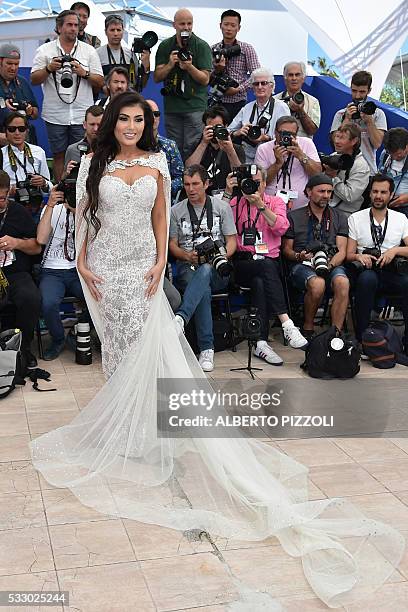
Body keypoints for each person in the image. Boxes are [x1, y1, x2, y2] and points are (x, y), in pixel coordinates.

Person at [29, 91, 405, 612]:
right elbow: (87, 216)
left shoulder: (159, 160)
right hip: (102, 271)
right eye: (125, 119)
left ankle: (146, 430)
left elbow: (162, 218)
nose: (132, 126)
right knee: (117, 352)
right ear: (112, 122)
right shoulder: (92, 161)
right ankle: (128, 427)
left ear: (146, 123)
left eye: (140, 120)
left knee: (146, 348)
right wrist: (86, 264)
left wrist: (161, 264)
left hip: (141, 268)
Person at [223, 166, 307, 365]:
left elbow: (281, 228)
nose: (253, 186)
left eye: (257, 182)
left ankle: (261, 343)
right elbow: (218, 218)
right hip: (242, 262)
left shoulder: (275, 201)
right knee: (264, 269)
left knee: (262, 278)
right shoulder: (235, 202)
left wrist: (261, 205)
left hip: (268, 262)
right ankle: (287, 323)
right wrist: (228, 191)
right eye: (249, 182)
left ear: (264, 183)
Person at [170, 165, 237, 372]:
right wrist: (186, 255)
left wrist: (222, 255)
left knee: (207, 271)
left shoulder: (221, 207)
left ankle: (181, 318)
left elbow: (232, 241)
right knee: (202, 287)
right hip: (187, 265)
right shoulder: (176, 210)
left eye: (196, 184)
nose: (191, 189)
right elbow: (172, 245)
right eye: (187, 184)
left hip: (218, 268)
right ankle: (207, 349)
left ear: (207, 184)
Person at [31, 10, 104, 181]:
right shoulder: (45, 50)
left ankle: (85, 189)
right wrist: (49, 69)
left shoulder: (89, 51)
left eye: (76, 25)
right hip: (55, 114)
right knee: (58, 155)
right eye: (69, 25)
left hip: (81, 115)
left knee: (86, 154)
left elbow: (100, 81)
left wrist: (83, 73)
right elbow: (34, 79)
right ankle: (61, 194)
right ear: (59, 27)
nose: (73, 29)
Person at [282, 173, 350, 340]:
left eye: (329, 192)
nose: (326, 196)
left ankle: (336, 333)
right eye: (321, 191)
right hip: (302, 263)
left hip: (331, 261)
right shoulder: (294, 216)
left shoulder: (339, 216)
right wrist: (299, 256)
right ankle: (308, 327)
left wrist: (329, 266)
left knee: (343, 282)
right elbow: (286, 250)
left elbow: (342, 250)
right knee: (317, 284)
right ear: (309, 192)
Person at [347, 174, 408, 349]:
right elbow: (349, 254)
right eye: (375, 192)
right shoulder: (356, 218)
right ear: (369, 194)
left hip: (391, 269)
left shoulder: (400, 218)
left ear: (391, 194)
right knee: (367, 280)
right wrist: (359, 256)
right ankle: (363, 340)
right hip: (366, 268)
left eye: (383, 192)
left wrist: (395, 250)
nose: (378, 196)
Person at [154, 8, 212, 160]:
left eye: (189, 23)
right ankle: (176, 182)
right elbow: (157, 77)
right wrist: (169, 64)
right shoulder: (166, 46)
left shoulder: (201, 46)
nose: (186, 27)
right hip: (172, 107)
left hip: (195, 106)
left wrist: (189, 67)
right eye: (182, 24)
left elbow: (205, 79)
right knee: (173, 150)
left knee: (192, 149)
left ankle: (190, 182)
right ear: (174, 25)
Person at [36, 185, 85, 360]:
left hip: (78, 269)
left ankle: (77, 331)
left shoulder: (84, 209)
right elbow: (41, 239)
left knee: (100, 298)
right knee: (48, 303)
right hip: (52, 270)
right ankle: (58, 339)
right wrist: (50, 205)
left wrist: (76, 209)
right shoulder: (53, 209)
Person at [0, 170, 41, 368]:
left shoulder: (17, 212)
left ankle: (24, 348)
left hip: (15, 272)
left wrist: (16, 243)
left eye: (1, 198)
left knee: (30, 297)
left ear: (9, 192)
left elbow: (36, 247)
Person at [255, 115, 321, 209]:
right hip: (270, 208)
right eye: (282, 133)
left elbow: (317, 174)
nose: (286, 137)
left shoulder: (306, 143)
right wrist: (277, 164)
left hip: (301, 208)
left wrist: (301, 156)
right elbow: (260, 182)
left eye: (291, 134)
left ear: (296, 134)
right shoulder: (264, 149)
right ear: (275, 132)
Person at [330, 70, 387, 175]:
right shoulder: (341, 114)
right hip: (342, 169)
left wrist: (369, 122)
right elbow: (335, 143)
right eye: (354, 91)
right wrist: (347, 119)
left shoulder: (378, 114)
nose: (357, 96)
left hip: (368, 171)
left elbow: (377, 144)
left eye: (362, 92)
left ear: (369, 91)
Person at [228, 68, 288, 163]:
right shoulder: (247, 108)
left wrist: (266, 138)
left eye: (263, 83)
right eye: (256, 84)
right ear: (252, 87)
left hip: (272, 159)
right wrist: (238, 132)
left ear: (271, 86)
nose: (260, 87)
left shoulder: (281, 107)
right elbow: (228, 131)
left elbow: (287, 135)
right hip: (247, 158)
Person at [1, 112, 52, 221]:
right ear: (5, 132)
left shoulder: (39, 152)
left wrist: (43, 183)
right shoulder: (1, 154)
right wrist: (9, 190)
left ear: (27, 131)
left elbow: (50, 186)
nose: (17, 133)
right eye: (12, 129)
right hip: (10, 206)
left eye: (21, 129)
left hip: (35, 206)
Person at [210, 9, 260, 121]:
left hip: (239, 101)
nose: (229, 28)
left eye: (233, 25)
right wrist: (218, 70)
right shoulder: (213, 49)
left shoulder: (246, 48)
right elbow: (207, 77)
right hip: (217, 100)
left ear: (238, 28)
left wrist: (238, 89)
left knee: (238, 134)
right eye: (226, 24)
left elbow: (256, 74)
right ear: (220, 25)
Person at [185, 105, 245, 195]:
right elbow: (188, 169)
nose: (214, 131)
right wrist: (204, 143)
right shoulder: (197, 146)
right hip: (203, 196)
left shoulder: (236, 148)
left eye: (218, 127)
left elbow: (240, 174)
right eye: (210, 127)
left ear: (226, 126)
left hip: (230, 196)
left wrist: (230, 150)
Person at [324, 123, 370, 217]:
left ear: (354, 141)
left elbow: (350, 196)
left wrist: (333, 177)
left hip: (346, 215)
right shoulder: (334, 156)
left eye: (342, 138)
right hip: (326, 210)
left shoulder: (361, 165)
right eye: (337, 136)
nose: (336, 141)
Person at [0, 44, 39, 146]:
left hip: (21, 136)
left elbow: (35, 113)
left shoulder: (22, 82)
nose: (13, 68)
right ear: (0, 62)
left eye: (16, 64)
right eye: (9, 63)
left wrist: (30, 110)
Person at [146, 98, 183, 205]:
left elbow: (181, 177)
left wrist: (164, 187)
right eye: (149, 114)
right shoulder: (133, 146)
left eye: (156, 114)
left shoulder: (169, 145)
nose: (153, 118)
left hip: (165, 203)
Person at [97, 14, 150, 87]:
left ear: (123, 31)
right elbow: (95, 83)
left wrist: (146, 68)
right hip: (106, 97)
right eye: (112, 30)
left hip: (128, 97)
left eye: (118, 30)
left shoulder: (130, 54)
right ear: (106, 32)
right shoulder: (97, 54)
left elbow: (141, 85)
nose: (116, 34)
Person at [274, 61, 320, 138]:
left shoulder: (313, 101)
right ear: (285, 78)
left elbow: (312, 131)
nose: (294, 78)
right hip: (278, 146)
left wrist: (300, 110)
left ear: (303, 78)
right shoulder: (275, 100)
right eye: (290, 75)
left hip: (302, 147)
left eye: (297, 75)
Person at [64, 104, 104, 173]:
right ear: (84, 125)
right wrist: (67, 173)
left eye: (99, 125)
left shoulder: (113, 149)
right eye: (92, 124)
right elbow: (63, 180)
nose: (95, 129)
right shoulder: (72, 150)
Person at [378, 127, 408, 216]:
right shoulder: (386, 154)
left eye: (398, 154)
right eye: (392, 154)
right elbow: (380, 174)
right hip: (386, 205)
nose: (394, 158)